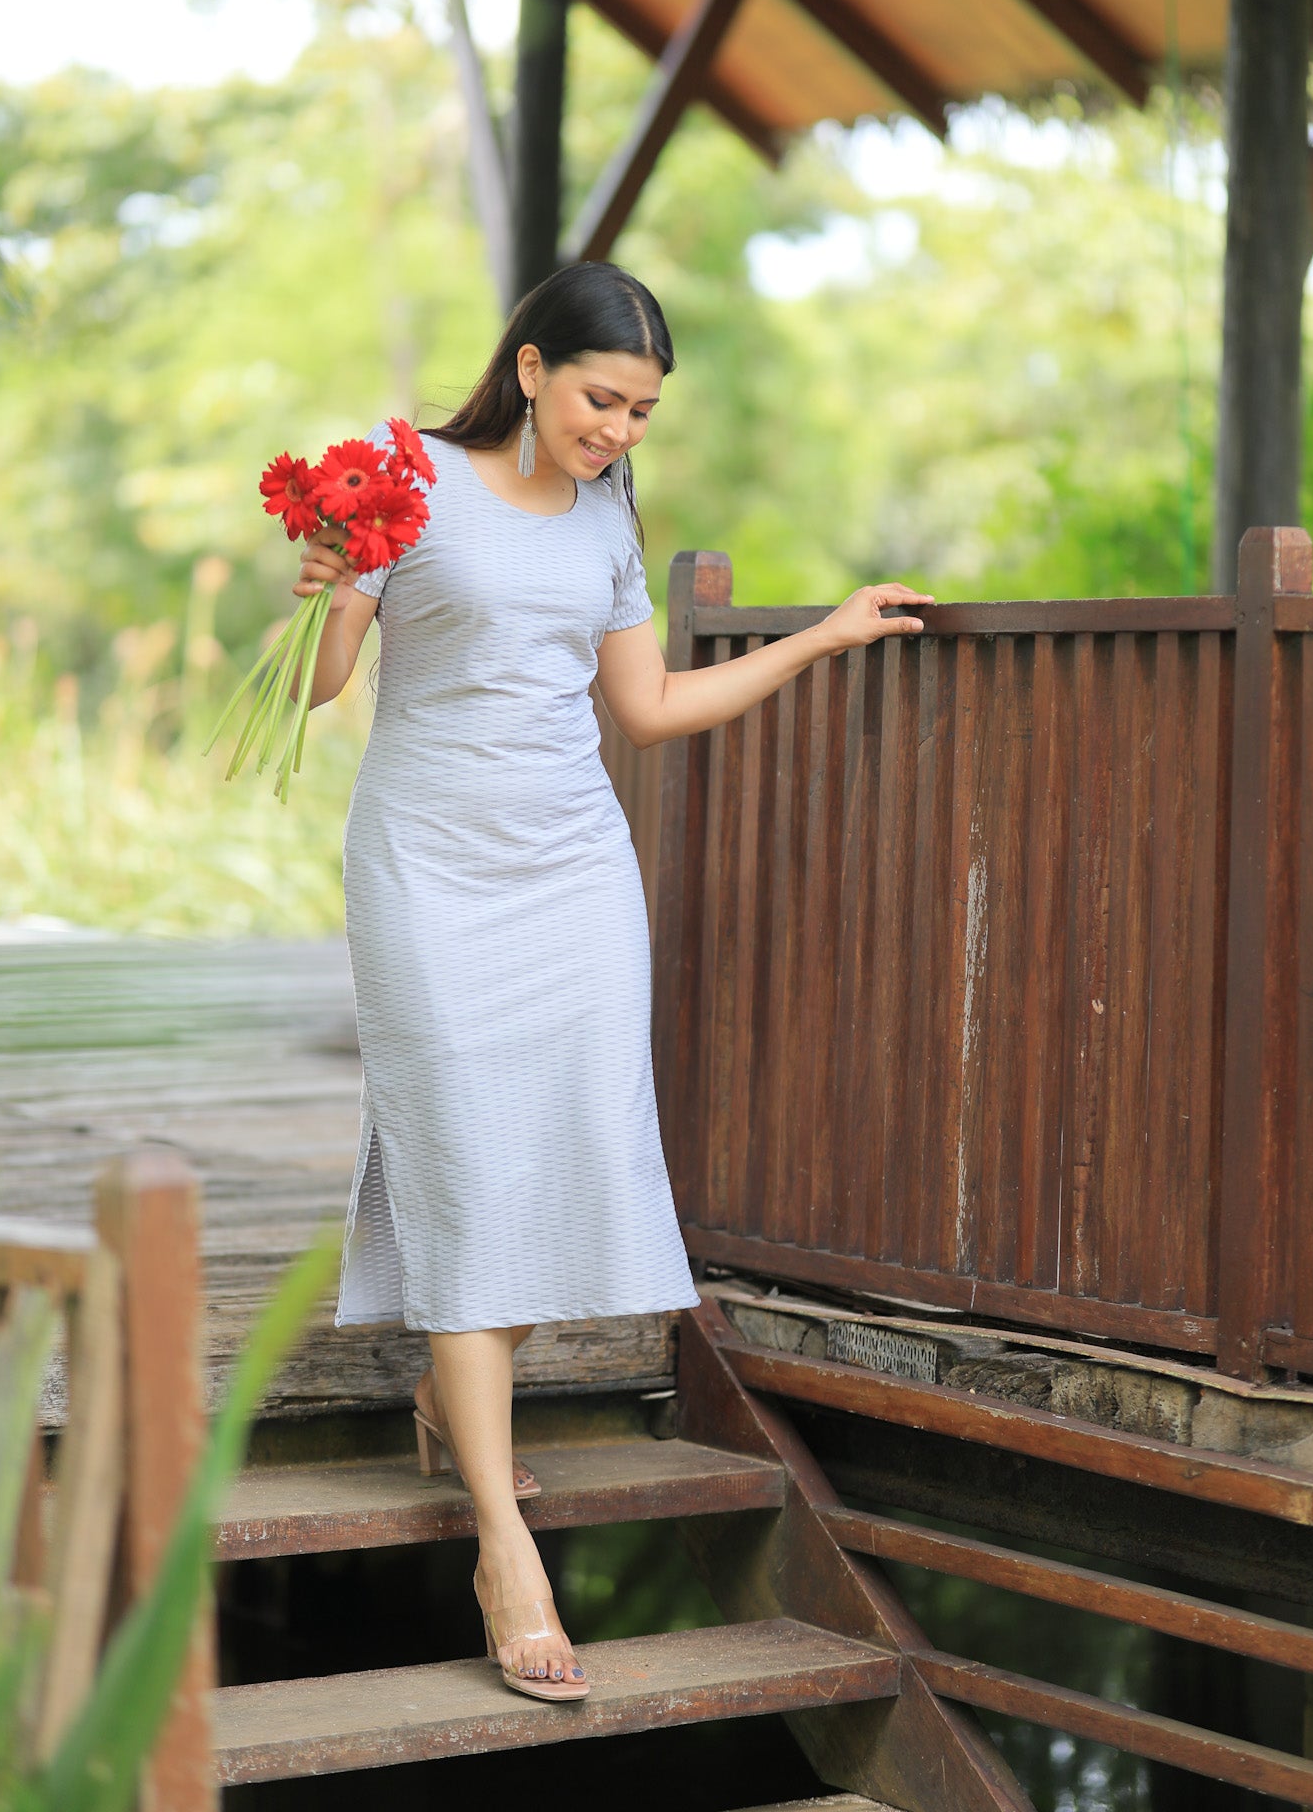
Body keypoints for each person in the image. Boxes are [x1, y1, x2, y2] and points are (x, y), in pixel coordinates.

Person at [293, 261, 933, 1701]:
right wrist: (336, 585)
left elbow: (643, 709)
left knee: (555, 1149)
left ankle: (441, 1403)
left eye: (642, 411)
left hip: (574, 876)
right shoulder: (407, 475)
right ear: (527, 368)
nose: (619, 430)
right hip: (426, 872)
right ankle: (502, 1544)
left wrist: (818, 637)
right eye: (601, 399)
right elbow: (318, 690)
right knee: (464, 1155)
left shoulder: (604, 517)